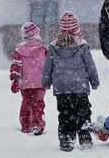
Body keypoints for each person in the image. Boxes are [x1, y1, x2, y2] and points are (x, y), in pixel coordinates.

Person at [41, 12, 100, 152]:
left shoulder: (54, 46)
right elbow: (90, 65)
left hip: (62, 87)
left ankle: (66, 139)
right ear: (76, 27)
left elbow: (47, 67)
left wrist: (46, 82)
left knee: (65, 113)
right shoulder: (82, 45)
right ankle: (85, 136)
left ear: (61, 28)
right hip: (80, 86)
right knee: (83, 112)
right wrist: (94, 81)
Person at [9, 22, 47, 135]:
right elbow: (49, 64)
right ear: (36, 34)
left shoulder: (19, 50)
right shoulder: (42, 48)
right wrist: (50, 76)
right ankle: (36, 124)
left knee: (26, 102)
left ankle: (25, 124)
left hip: (25, 83)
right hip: (40, 82)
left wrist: (15, 79)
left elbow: (16, 65)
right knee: (38, 103)